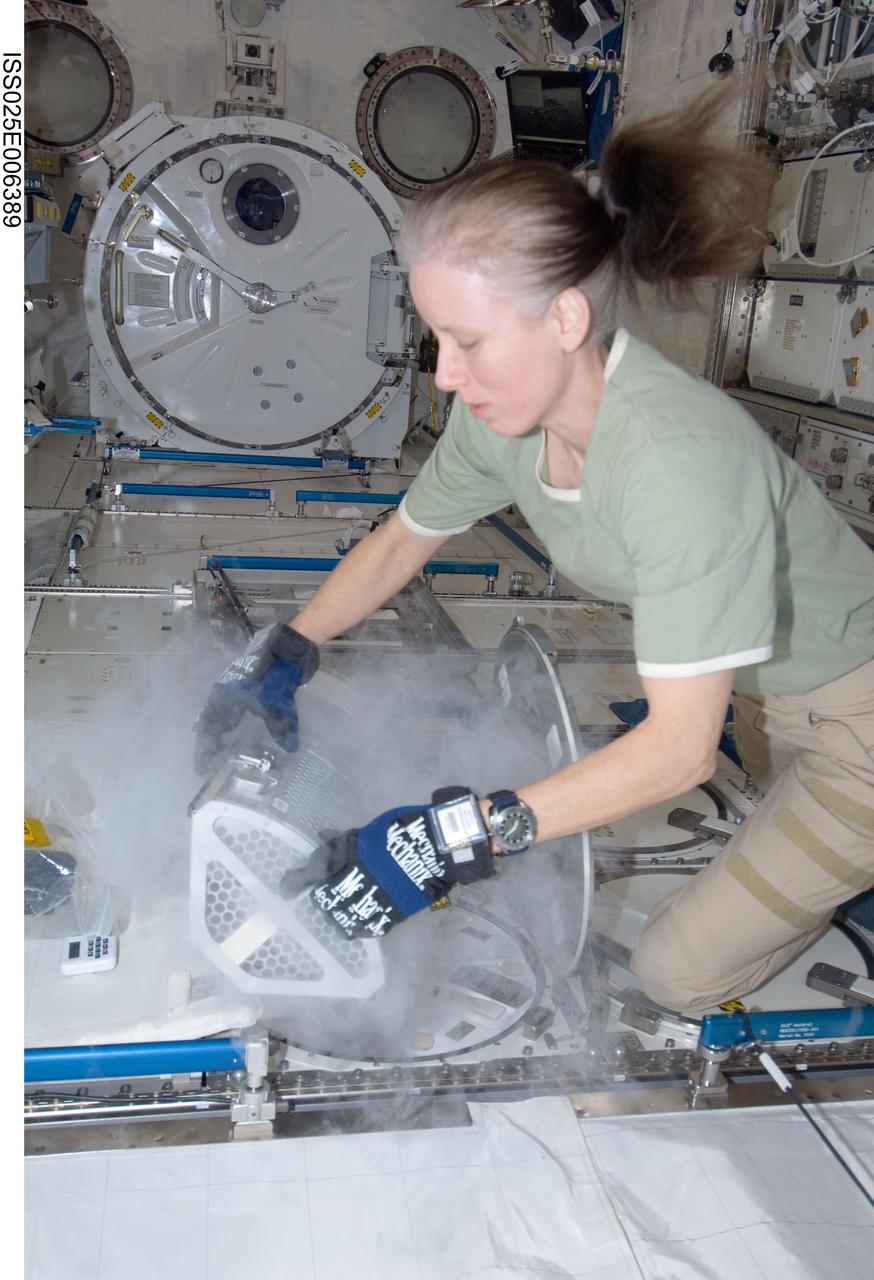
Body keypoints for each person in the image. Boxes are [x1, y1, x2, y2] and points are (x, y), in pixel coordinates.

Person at [195, 88, 874, 1012]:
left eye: (467, 341)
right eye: (436, 338)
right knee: (757, 825)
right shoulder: (505, 421)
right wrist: (287, 651)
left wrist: (454, 839)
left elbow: (678, 754)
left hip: (857, 725)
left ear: (563, 321)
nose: (444, 374)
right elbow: (401, 543)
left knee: (677, 975)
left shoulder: (680, 463)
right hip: (757, 695)